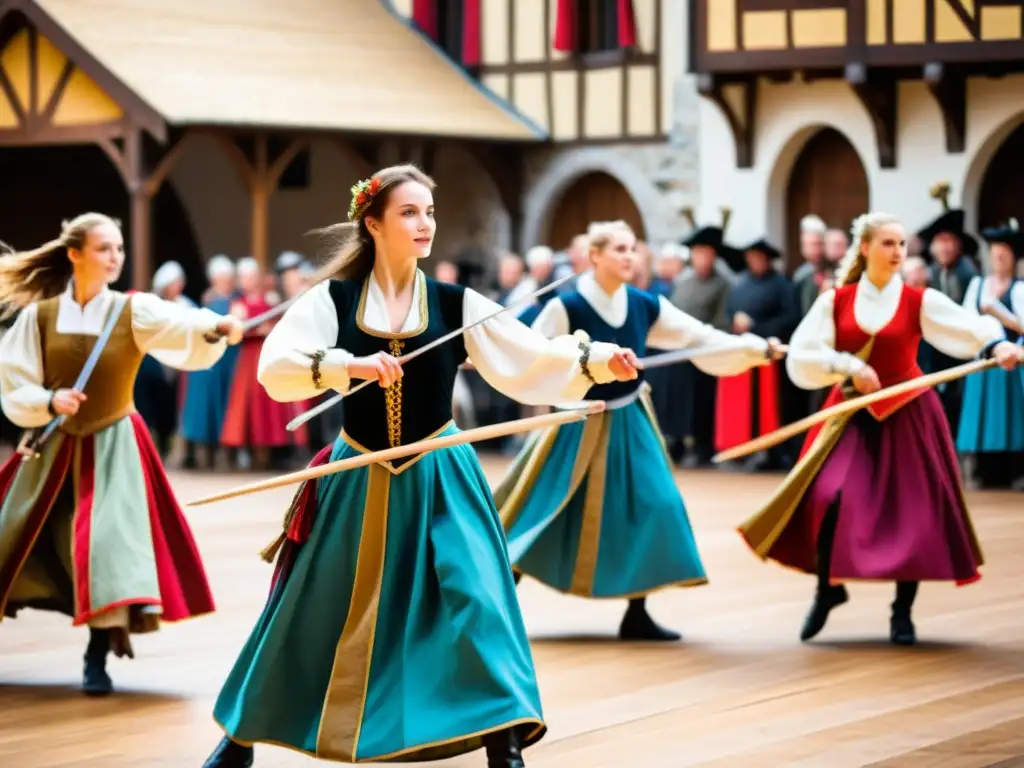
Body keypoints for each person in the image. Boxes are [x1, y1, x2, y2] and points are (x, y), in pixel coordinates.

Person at [202, 165, 639, 768]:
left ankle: (505, 741)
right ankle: (240, 739)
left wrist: (595, 362)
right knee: (310, 608)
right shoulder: (334, 300)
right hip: (357, 476)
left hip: (442, 473)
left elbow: (529, 360)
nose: (424, 223)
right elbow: (276, 367)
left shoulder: (459, 302)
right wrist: (348, 367)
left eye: (429, 212)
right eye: (409, 212)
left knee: (482, 600)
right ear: (373, 222)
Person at [738, 212, 1024, 646]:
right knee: (825, 497)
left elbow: (968, 329)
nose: (897, 252)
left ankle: (902, 613)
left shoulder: (918, 300)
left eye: (902, 244)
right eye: (888, 243)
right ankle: (827, 590)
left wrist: (998, 343)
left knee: (912, 514)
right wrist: (847, 365)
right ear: (867, 248)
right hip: (851, 413)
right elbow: (803, 353)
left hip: (908, 411)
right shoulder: (836, 300)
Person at [494, 220, 782, 641]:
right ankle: (500, 608)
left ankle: (637, 611)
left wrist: (754, 348)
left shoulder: (645, 304)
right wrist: (568, 382)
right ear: (594, 256)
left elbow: (698, 337)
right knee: (540, 510)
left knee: (657, 503)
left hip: (630, 416)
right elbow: (533, 354)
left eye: (633, 249)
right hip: (578, 421)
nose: (630, 256)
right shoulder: (566, 305)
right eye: (619, 249)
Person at [0, 213, 243, 695]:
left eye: (119, 249)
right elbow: (13, 377)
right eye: (104, 249)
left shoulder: (133, 311)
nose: (115, 258)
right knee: (11, 536)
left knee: (105, 544)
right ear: (74, 254)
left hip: (115, 446)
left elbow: (183, 326)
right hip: (55, 447)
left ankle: (97, 654)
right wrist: (48, 401)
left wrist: (217, 327)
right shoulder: (40, 314)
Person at [715, 238, 800, 471]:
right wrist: (735, 323)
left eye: (760, 257)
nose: (756, 261)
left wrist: (755, 327)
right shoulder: (741, 285)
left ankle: (770, 451)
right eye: (752, 257)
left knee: (770, 406)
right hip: (744, 356)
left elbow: (790, 318)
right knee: (742, 406)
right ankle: (741, 447)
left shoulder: (782, 285)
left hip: (771, 356)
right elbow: (730, 311)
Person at [956, 221, 1024, 490]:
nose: (998, 260)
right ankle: (983, 471)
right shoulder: (978, 285)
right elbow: (964, 319)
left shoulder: (1019, 288)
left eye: (1003, 255)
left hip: (1011, 363)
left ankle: (1014, 470)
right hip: (983, 363)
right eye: (994, 255)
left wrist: (999, 313)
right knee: (981, 417)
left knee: (1011, 417)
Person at [178, 255, 240, 469]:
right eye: (221, 277)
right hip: (207, 361)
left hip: (228, 361)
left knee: (225, 404)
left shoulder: (236, 300)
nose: (225, 281)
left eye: (227, 277)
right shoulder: (207, 302)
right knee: (202, 407)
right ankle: (196, 454)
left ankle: (226, 456)